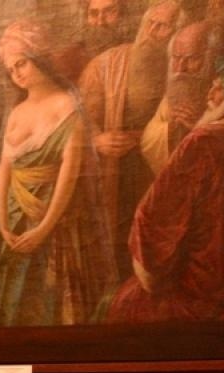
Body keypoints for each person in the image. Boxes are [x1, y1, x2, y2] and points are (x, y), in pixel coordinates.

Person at [0, 20, 115, 326]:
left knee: (52, 304)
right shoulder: (16, 112)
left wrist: (43, 229)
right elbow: (4, 169)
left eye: (22, 63)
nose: (16, 73)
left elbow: (69, 177)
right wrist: (4, 225)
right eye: (10, 68)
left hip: (56, 222)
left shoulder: (67, 105)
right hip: (17, 219)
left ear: (39, 58)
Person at [109, 61, 224, 322]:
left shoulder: (203, 143)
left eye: (220, 89)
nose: (209, 95)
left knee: (124, 306)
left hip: (199, 302)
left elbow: (151, 240)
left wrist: (200, 127)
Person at [80, 1, 184, 275]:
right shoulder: (104, 65)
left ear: (178, 32)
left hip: (162, 173)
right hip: (116, 174)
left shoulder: (185, 69)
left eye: (163, 26)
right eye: (150, 23)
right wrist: (96, 141)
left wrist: (148, 136)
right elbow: (77, 122)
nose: (152, 31)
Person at [140, 20, 219, 174]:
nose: (180, 68)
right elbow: (148, 138)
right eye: (176, 58)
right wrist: (170, 129)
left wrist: (200, 126)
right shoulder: (177, 90)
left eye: (191, 59)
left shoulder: (223, 89)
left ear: (211, 58)